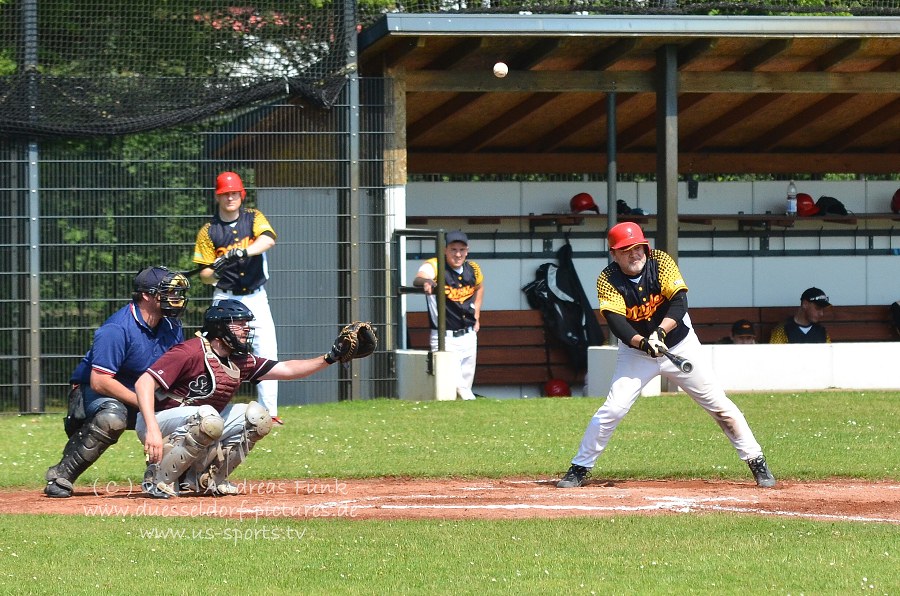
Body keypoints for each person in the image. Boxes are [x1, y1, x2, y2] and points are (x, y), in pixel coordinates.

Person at [556, 222, 775, 489]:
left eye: (638, 247)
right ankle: (580, 467)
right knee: (613, 408)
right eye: (626, 250)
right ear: (614, 253)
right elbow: (616, 322)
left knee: (719, 405)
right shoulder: (607, 278)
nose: (634, 254)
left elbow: (679, 302)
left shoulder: (660, 261)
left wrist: (659, 333)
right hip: (636, 352)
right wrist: (642, 343)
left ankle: (757, 461)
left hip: (679, 344)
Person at [136, 300, 361, 498]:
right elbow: (143, 383)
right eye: (239, 323)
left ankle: (208, 480)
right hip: (158, 421)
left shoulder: (240, 360)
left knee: (258, 417)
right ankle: (159, 479)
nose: (246, 329)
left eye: (246, 324)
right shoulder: (191, 351)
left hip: (199, 421)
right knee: (208, 416)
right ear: (220, 327)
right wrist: (153, 428)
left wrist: (331, 357)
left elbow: (288, 369)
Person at [43, 266, 190, 498]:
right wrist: (147, 406)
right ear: (146, 295)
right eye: (169, 292)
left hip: (143, 395)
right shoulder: (116, 328)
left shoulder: (172, 326)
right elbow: (100, 381)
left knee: (192, 413)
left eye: (177, 293)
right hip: (94, 394)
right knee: (112, 417)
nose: (176, 299)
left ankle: (175, 475)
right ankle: (62, 476)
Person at [192, 171, 283, 424]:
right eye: (225, 193)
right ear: (218, 196)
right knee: (216, 353)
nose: (230, 197)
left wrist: (241, 251)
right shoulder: (208, 231)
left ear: (241, 195)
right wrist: (214, 272)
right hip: (225, 298)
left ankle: (270, 413)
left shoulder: (253, 217)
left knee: (266, 351)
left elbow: (267, 240)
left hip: (256, 297)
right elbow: (204, 273)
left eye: (234, 193)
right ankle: (212, 409)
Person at [413, 230, 484, 400]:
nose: (458, 254)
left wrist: (478, 317)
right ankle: (472, 405)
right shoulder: (435, 265)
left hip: (468, 335)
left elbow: (479, 287)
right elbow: (419, 278)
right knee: (458, 387)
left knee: (465, 385)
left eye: (462, 250)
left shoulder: (473, 268)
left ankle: (462, 420)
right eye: (453, 249)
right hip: (445, 337)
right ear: (445, 249)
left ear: (467, 251)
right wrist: (427, 281)